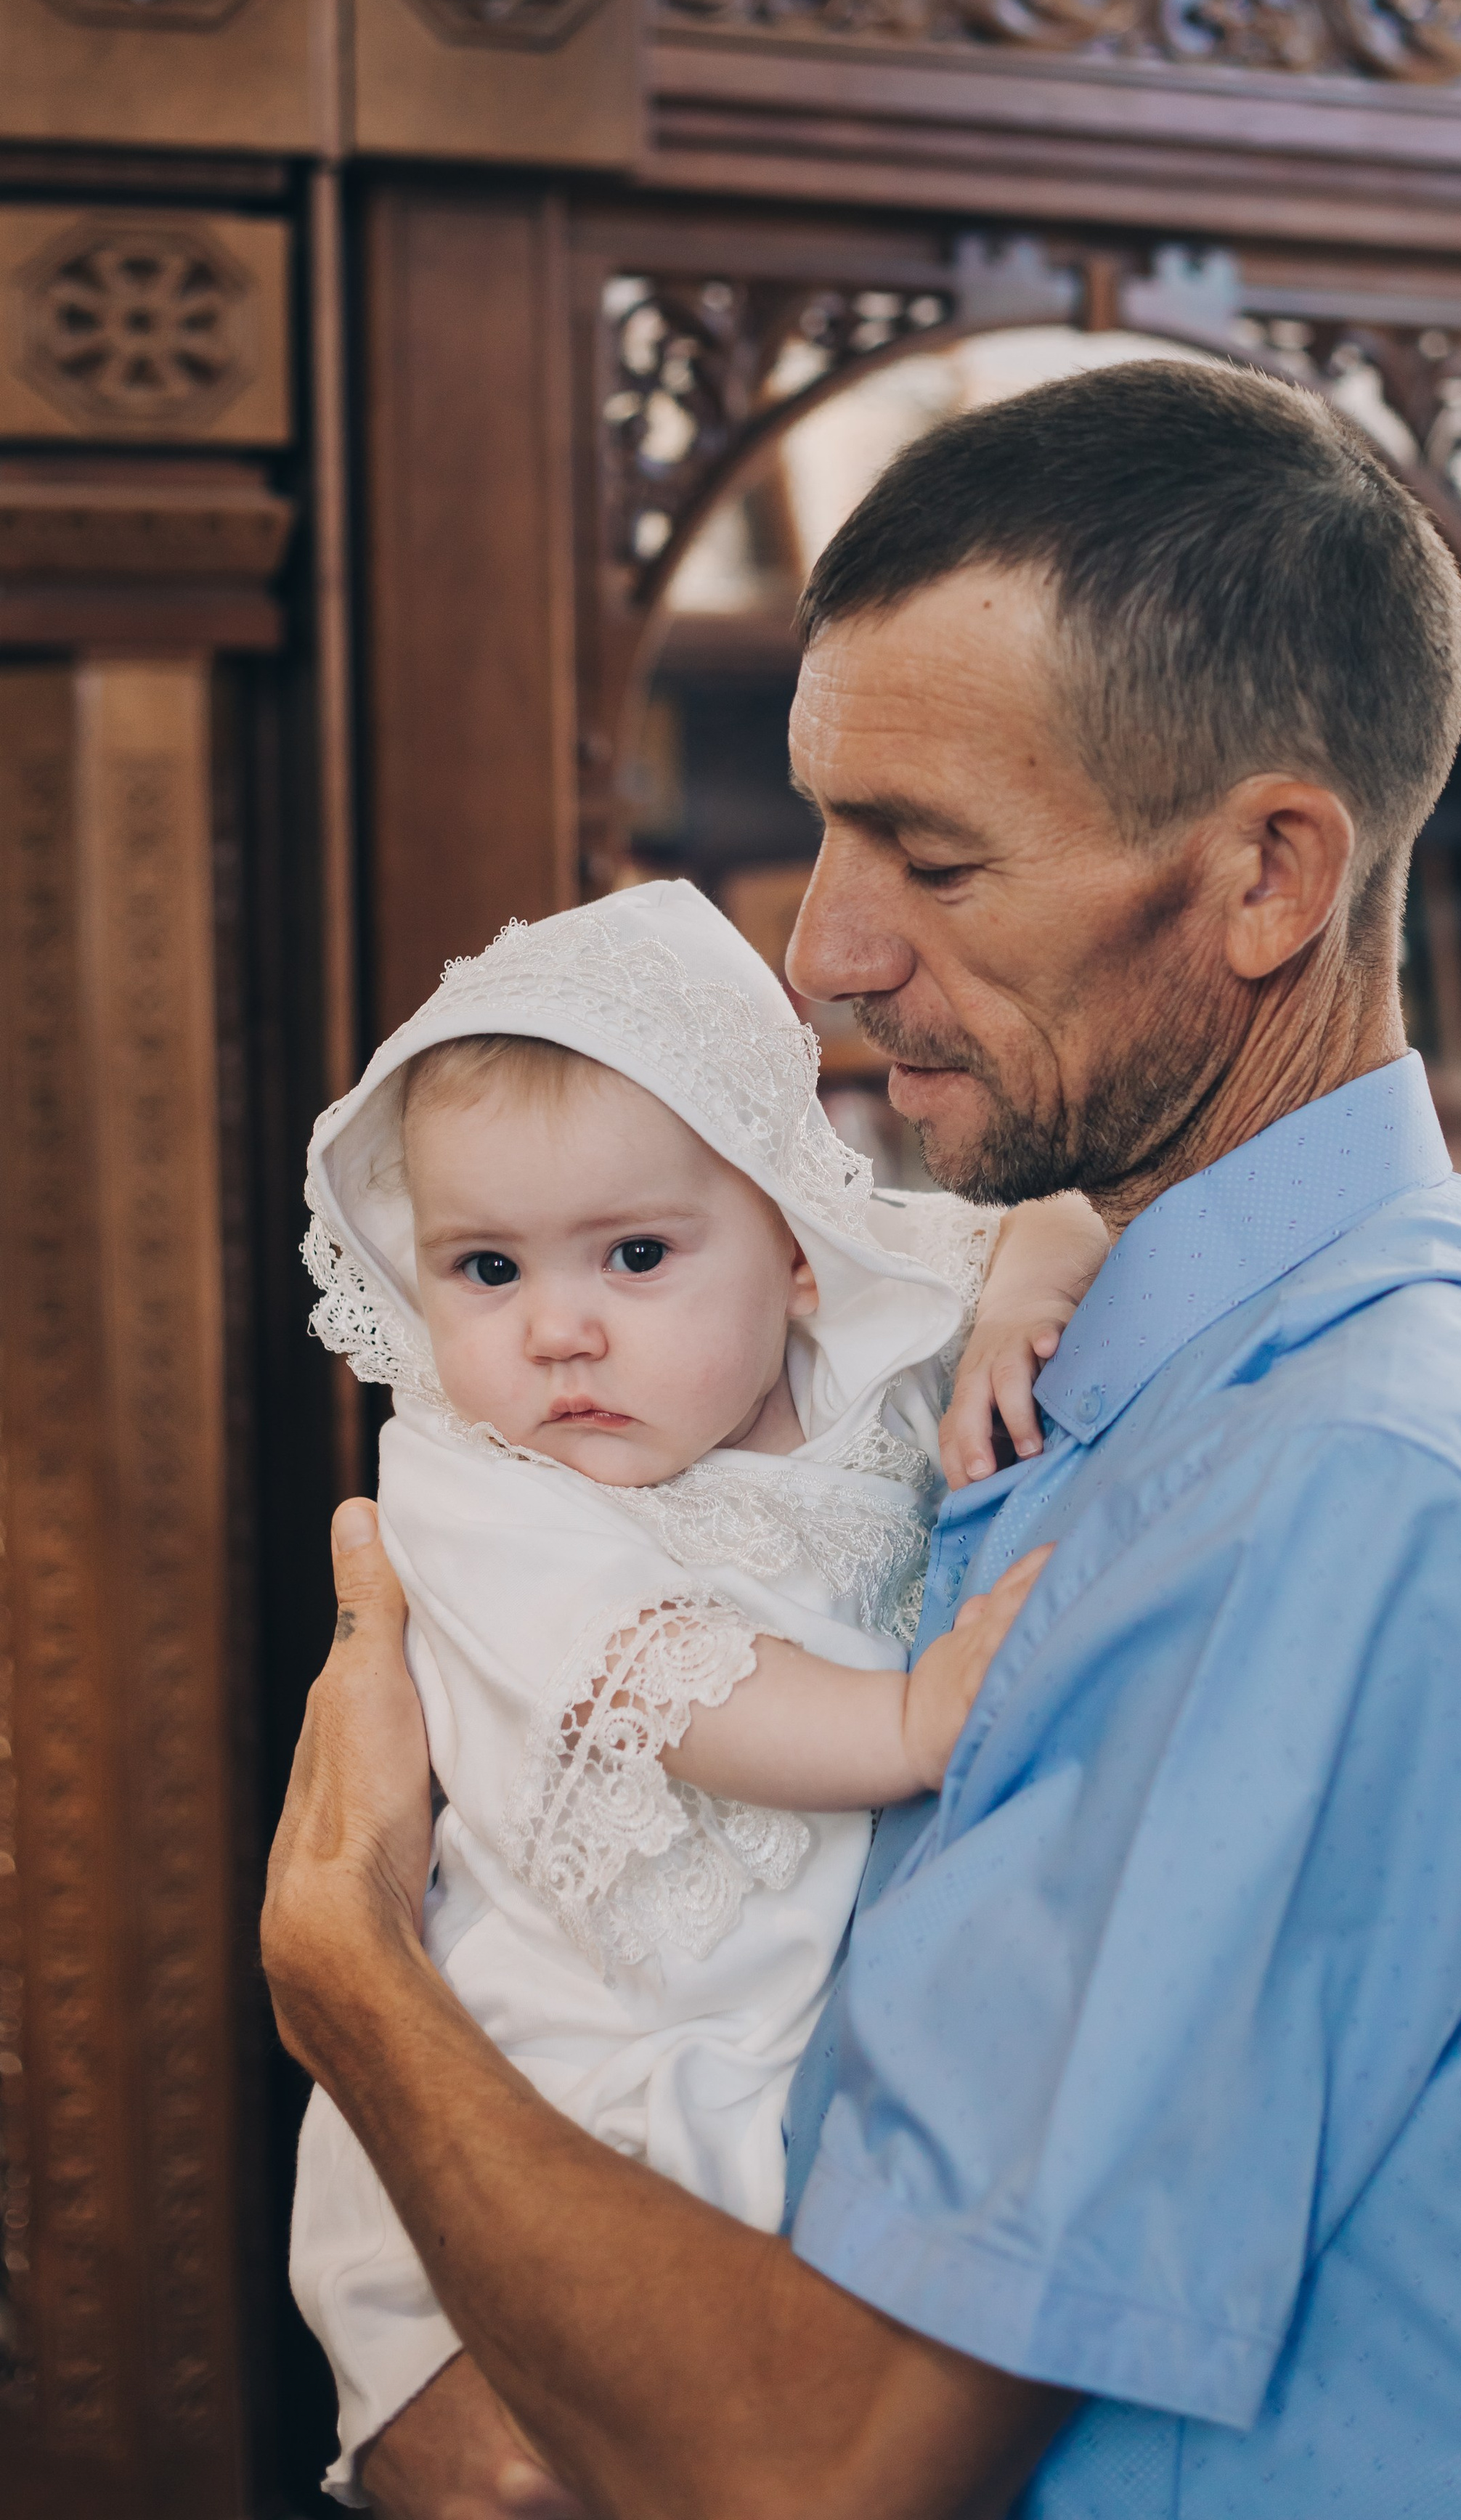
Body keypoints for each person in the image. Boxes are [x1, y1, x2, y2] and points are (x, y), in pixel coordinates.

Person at [264, 359, 1461, 2520]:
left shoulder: (1349, 1467)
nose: (821, 956)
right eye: (826, 828)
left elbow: (829, 2474)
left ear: (1267, 880)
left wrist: (347, 1965)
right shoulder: (1134, 1342)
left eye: (929, 857)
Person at [287, 880, 1104, 2495]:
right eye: (484, 1269)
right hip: (555, 2069)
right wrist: (906, 1722)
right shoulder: (474, 1485)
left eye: (636, 1254)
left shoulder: (859, 1357)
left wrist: (1016, 1292)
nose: (559, 1332)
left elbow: (1077, 1212)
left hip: (783, 2061)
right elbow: (657, 1683)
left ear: (795, 1246)